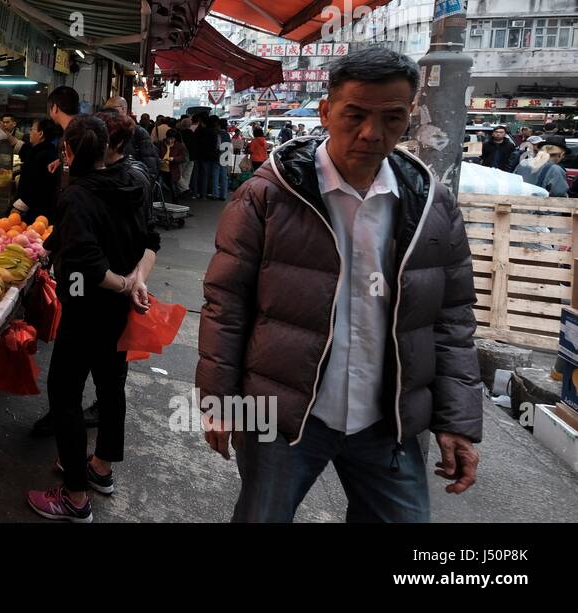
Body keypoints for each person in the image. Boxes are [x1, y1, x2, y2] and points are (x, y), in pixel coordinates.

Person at [197, 47, 480, 523]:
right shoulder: (268, 195)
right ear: (327, 112)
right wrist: (218, 401)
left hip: (387, 418)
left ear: (408, 116)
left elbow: (451, 317)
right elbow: (226, 302)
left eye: (391, 117)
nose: (372, 133)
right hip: (282, 414)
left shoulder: (432, 205)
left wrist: (457, 420)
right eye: (355, 115)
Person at [26, 114, 157, 523]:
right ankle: (100, 469)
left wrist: (122, 284)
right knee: (110, 383)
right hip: (118, 312)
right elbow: (150, 240)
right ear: (106, 148)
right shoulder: (132, 181)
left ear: (67, 151)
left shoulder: (77, 194)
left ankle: (75, 498)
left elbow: (87, 264)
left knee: (64, 393)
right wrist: (137, 280)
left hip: (87, 304)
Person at [11, 118, 62, 223]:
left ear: (40, 134)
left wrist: (18, 208)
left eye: (32, 129)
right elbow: (18, 145)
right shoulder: (37, 149)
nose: (29, 132)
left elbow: (36, 188)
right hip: (33, 211)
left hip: (36, 215)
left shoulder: (45, 156)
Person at [103, 96, 159, 184]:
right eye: (106, 110)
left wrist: (139, 187)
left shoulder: (138, 132)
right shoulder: (104, 129)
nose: (108, 113)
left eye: (111, 109)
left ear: (123, 109)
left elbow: (150, 167)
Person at [190, 116, 220, 200]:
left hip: (199, 155)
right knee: (206, 175)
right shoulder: (214, 132)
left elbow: (195, 143)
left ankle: (195, 193)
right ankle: (204, 194)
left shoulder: (199, 131)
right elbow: (216, 145)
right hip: (210, 155)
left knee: (196, 174)